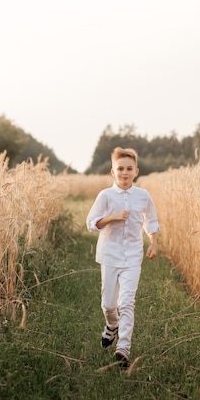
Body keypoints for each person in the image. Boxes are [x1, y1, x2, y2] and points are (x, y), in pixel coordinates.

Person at [86, 147, 159, 368]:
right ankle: (111, 325)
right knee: (108, 304)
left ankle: (123, 349)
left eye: (129, 169)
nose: (124, 173)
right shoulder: (105, 196)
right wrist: (112, 217)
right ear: (112, 172)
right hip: (109, 255)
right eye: (120, 169)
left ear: (136, 171)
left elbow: (151, 221)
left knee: (127, 302)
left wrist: (154, 242)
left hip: (133, 257)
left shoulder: (143, 196)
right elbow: (92, 223)